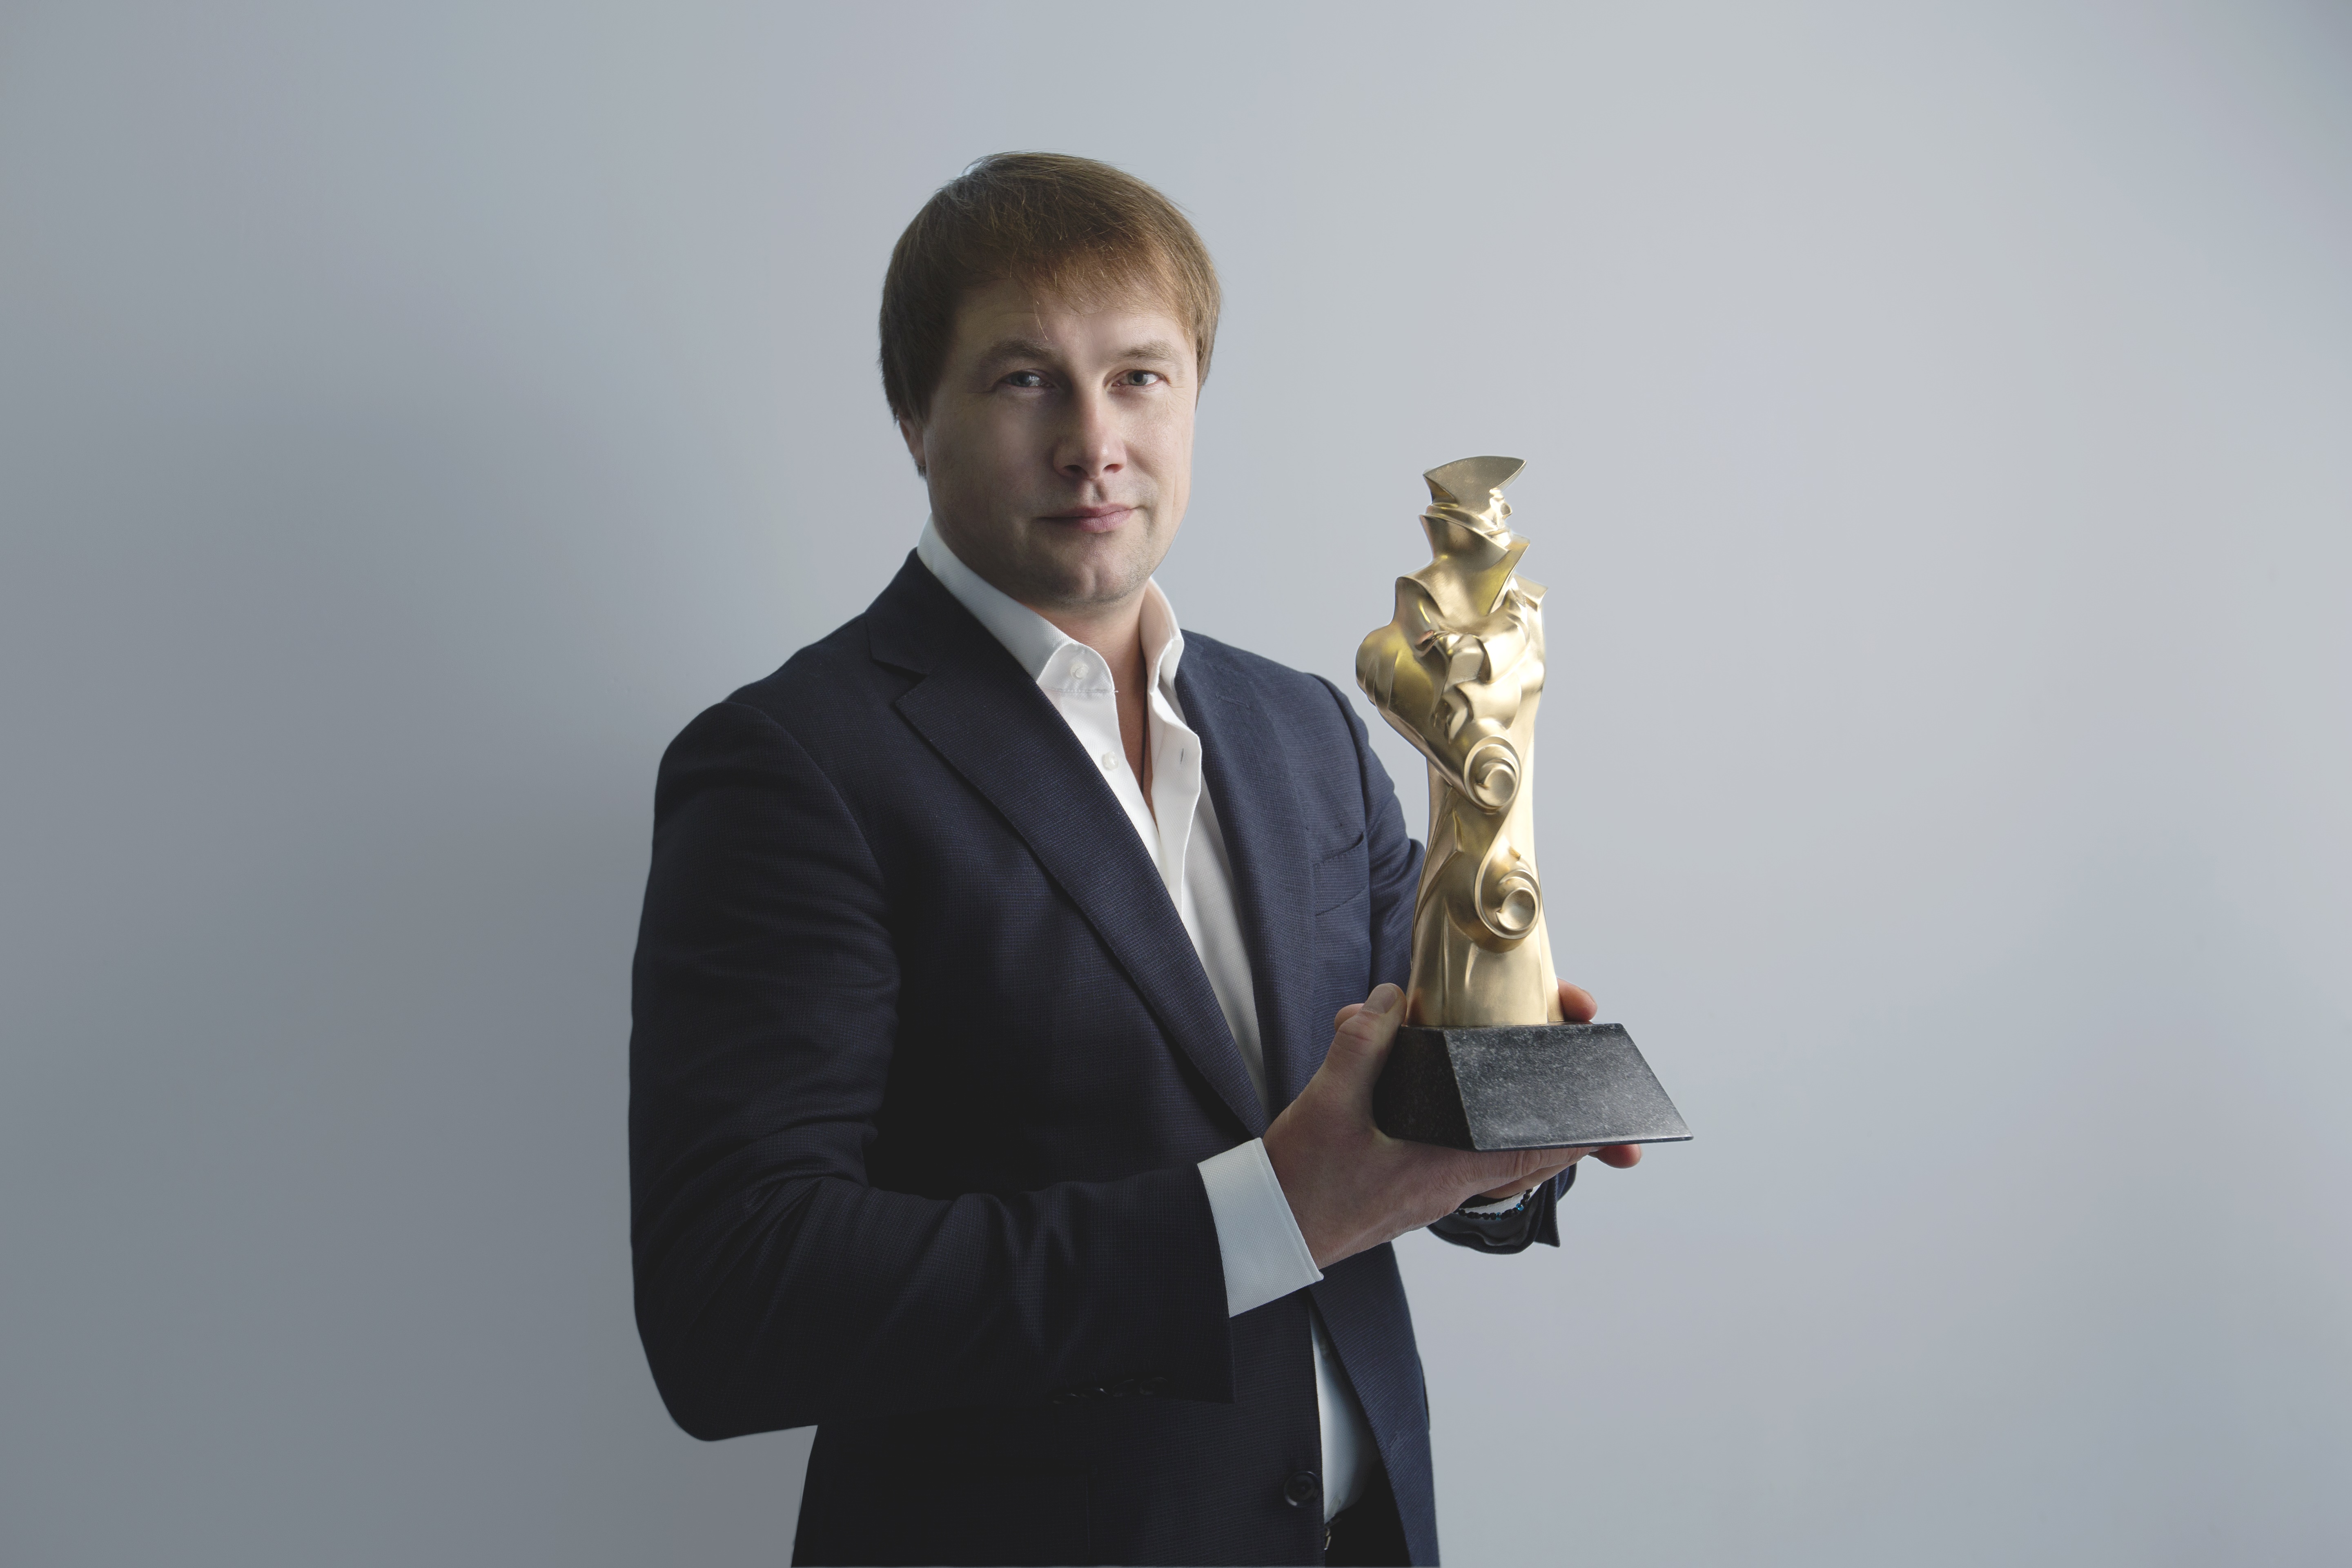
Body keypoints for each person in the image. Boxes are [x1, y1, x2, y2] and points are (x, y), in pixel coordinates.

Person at [628, 151, 1642, 1568]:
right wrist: (1268, 1214)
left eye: (1139, 378)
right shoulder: (793, 766)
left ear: (1194, 398)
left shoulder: (1305, 729)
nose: (1093, 443)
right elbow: (738, 1303)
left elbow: (1396, 1116)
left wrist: (1501, 1140)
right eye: (1024, 380)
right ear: (914, 418)